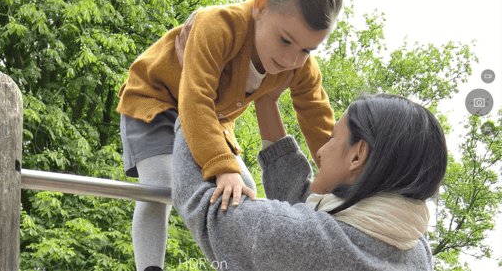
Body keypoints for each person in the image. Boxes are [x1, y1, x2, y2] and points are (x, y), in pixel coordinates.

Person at [117, 0, 346, 270]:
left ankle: (232, 264)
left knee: (245, 190)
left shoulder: (300, 67)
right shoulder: (218, 26)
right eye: (285, 40)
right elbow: (194, 99)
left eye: (306, 50)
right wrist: (222, 167)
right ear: (260, 6)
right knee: (160, 183)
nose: (290, 58)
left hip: (213, 118)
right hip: (157, 98)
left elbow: (321, 129)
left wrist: (346, 191)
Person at [172, 93, 448, 270]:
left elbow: (204, 207)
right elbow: (308, 207)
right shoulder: (415, 249)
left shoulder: (317, 244)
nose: (320, 151)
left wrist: (193, 101)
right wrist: (265, 101)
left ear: (357, 156)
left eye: (332, 138)